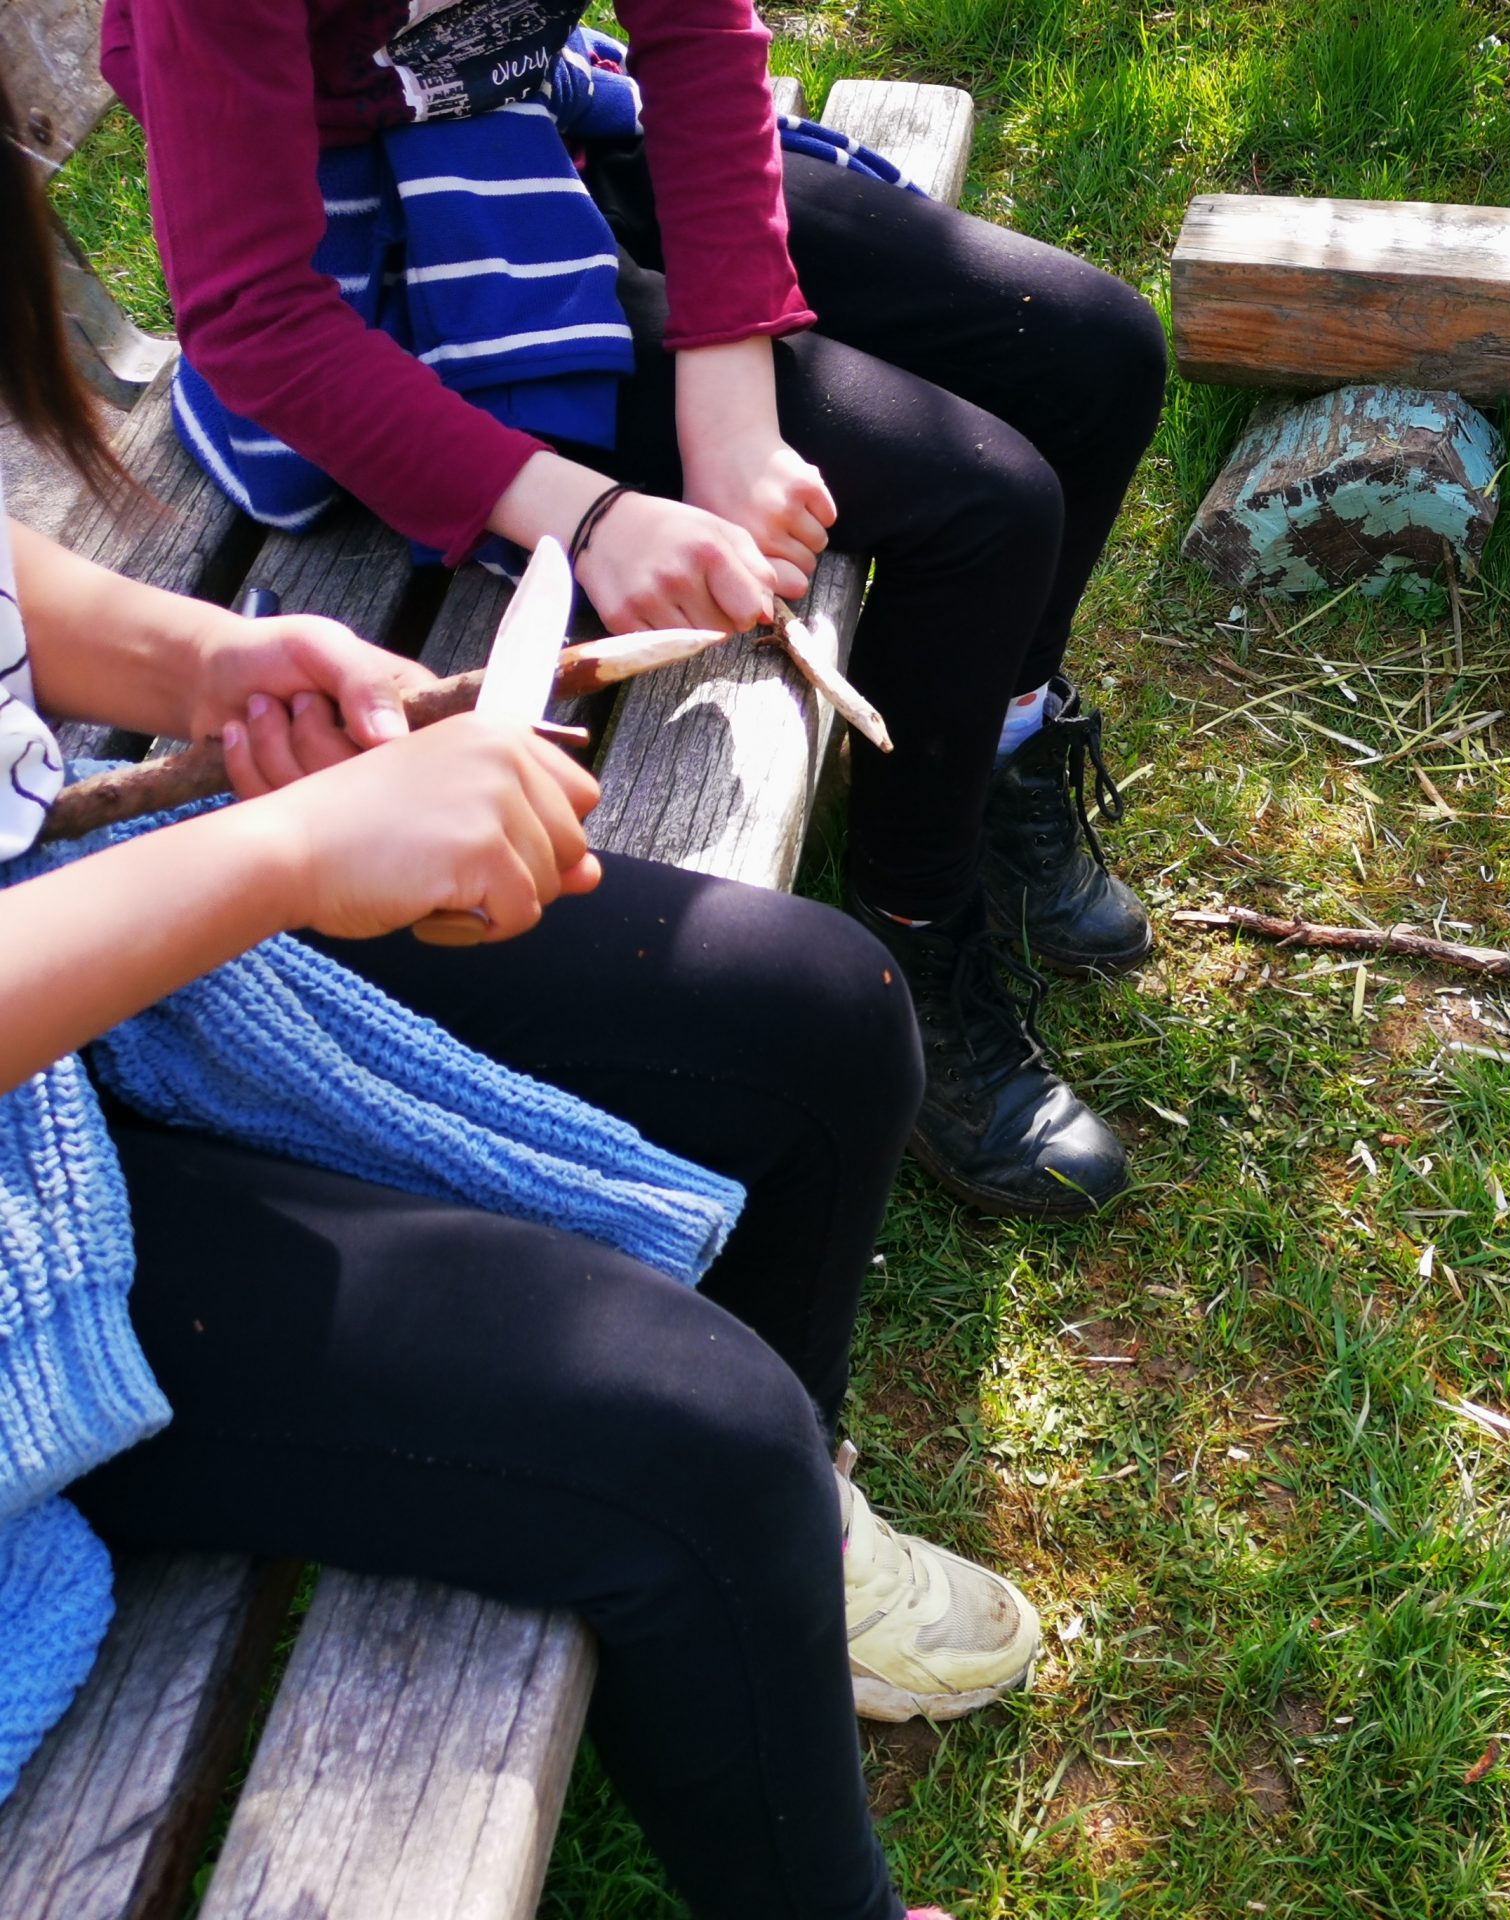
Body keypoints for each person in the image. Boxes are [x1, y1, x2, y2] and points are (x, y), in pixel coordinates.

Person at [0, 69, 1025, 1919]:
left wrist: (220, 664)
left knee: (819, 1018)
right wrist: (287, 858)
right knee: (696, 1447)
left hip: (65, 958)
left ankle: (770, 1565)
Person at [100, 0, 1169, 1215]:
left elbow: (699, 36)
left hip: (533, 126)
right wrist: (595, 517)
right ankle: (915, 926)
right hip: (383, 270)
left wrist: (735, 413)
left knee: (1097, 352)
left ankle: (996, 764)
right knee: (986, 507)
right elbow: (255, 319)